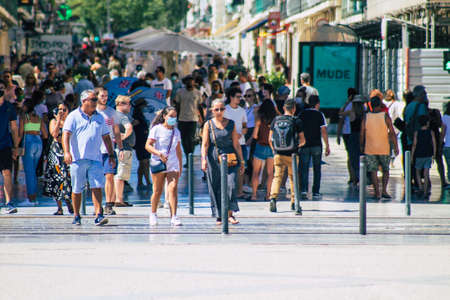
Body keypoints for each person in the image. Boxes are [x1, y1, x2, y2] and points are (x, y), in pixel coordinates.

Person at [62, 89, 116, 226]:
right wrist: (67, 152)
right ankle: (76, 215)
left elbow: (106, 137)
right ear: (84, 101)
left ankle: (99, 214)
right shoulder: (73, 116)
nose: (95, 102)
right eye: (92, 100)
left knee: (97, 186)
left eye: (95, 100)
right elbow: (66, 135)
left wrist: (111, 154)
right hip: (78, 159)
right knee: (77, 189)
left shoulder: (99, 117)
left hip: (96, 158)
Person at [201, 99, 245, 225]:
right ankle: (219, 215)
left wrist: (241, 161)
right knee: (215, 185)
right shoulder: (208, 125)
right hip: (213, 157)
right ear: (212, 110)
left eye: (221, 109)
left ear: (225, 110)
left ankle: (230, 214)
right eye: (216, 109)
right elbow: (204, 145)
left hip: (230, 156)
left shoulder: (231, 123)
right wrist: (203, 160)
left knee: (230, 184)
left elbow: (236, 144)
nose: (219, 111)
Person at [145, 106, 183, 226]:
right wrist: (158, 153)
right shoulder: (156, 129)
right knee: (157, 190)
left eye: (175, 116)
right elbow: (148, 145)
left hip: (173, 163)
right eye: (171, 116)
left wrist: (180, 166)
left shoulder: (176, 132)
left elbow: (178, 150)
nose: (173, 119)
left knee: (173, 189)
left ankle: (174, 216)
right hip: (158, 162)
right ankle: (153, 213)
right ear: (164, 116)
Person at [268, 99, 305, 212]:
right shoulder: (297, 121)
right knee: (293, 179)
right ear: (294, 109)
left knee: (277, 177)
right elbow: (303, 140)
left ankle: (273, 199)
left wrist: (275, 150)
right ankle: (294, 202)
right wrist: (297, 147)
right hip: (292, 155)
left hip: (278, 154)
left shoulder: (276, 120)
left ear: (284, 108)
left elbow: (270, 139)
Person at [360, 96, 399, 200]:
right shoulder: (385, 116)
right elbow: (392, 132)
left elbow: (362, 133)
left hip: (370, 148)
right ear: (380, 105)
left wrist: (361, 145)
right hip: (384, 147)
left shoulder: (366, 117)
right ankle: (384, 191)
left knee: (373, 171)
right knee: (385, 170)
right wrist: (396, 146)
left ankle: (377, 192)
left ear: (370, 105)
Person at [95, 87, 123, 215]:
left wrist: (120, 148)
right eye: (102, 96)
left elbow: (116, 131)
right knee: (96, 179)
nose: (104, 98)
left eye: (106, 96)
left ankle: (109, 204)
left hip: (109, 149)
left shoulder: (112, 112)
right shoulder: (92, 112)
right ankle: (97, 205)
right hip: (95, 150)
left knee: (110, 176)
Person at [44, 102, 74, 215]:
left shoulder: (71, 121)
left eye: (64, 109)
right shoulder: (53, 121)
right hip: (56, 152)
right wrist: (58, 121)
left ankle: (68, 200)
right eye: (59, 109)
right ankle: (59, 207)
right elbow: (54, 134)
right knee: (56, 179)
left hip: (67, 151)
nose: (62, 111)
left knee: (67, 178)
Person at [299, 95, 330, 199]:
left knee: (304, 168)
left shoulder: (302, 114)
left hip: (304, 145)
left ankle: (303, 190)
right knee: (317, 169)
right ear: (317, 104)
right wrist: (327, 146)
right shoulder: (320, 114)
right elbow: (324, 131)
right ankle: (316, 191)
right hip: (317, 145)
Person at [19, 100, 48, 204]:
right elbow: (45, 134)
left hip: (28, 141)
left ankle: (31, 198)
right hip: (38, 142)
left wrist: (15, 146)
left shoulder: (24, 118)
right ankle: (34, 197)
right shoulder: (38, 118)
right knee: (34, 171)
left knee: (29, 172)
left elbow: (20, 133)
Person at [224, 87, 248, 198]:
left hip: (241, 142)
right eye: (237, 97)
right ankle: (228, 191)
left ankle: (240, 191)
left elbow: (245, 127)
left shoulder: (242, 111)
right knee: (228, 167)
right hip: (229, 143)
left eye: (240, 97)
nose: (239, 99)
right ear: (231, 97)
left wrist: (241, 133)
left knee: (241, 167)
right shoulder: (225, 110)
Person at [250, 99, 276, 201]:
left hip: (260, 146)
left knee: (256, 172)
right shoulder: (275, 119)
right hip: (271, 147)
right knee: (270, 173)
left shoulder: (259, 119)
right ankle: (268, 195)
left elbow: (255, 135)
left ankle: (254, 195)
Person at [0, 80, 20, 214]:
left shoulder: (9, 107)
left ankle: (8, 202)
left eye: (1, 88)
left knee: (7, 172)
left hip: (5, 144)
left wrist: (16, 146)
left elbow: (14, 127)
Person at [173, 75, 203, 161]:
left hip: (193, 119)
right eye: (188, 81)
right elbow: (177, 105)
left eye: (191, 80)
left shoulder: (197, 93)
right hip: (182, 119)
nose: (190, 82)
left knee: (190, 138)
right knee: (184, 139)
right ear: (185, 82)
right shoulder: (180, 92)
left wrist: (202, 119)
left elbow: (200, 106)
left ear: (194, 82)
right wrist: (176, 117)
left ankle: (190, 155)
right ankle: (187, 156)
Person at [114, 95, 135, 207]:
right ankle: (119, 199)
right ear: (120, 104)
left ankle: (116, 198)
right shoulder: (122, 116)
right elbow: (129, 127)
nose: (130, 106)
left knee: (118, 174)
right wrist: (124, 136)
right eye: (128, 103)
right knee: (121, 175)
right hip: (124, 148)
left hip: (119, 148)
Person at [411, 115, 436, 199]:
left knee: (417, 171)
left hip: (419, 154)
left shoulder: (417, 132)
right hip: (428, 154)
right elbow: (434, 143)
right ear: (427, 122)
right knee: (426, 173)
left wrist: (411, 156)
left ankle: (420, 187)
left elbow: (414, 144)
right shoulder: (431, 132)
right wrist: (434, 154)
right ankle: (425, 191)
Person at [132, 98, 151, 190]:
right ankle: (147, 181)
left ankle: (140, 181)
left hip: (144, 139)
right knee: (144, 162)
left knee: (144, 162)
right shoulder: (136, 116)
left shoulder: (142, 115)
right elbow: (132, 126)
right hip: (140, 141)